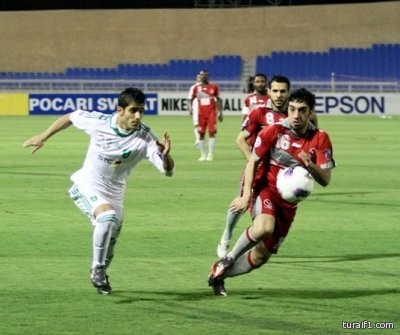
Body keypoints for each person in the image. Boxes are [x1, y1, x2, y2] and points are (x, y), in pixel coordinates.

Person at [22, 87, 175, 295]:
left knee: (110, 244)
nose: (138, 116)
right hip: (87, 184)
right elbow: (71, 117)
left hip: (115, 194)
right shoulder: (99, 121)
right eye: (133, 110)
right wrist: (43, 136)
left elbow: (167, 172)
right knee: (107, 218)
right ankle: (97, 268)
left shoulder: (145, 137)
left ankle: (101, 274)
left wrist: (166, 155)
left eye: (141, 111)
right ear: (120, 110)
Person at [208, 88, 334, 296]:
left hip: (289, 204)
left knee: (260, 257)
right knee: (264, 228)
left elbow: (326, 180)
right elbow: (252, 162)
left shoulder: (320, 138)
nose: (296, 115)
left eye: (302, 110)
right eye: (292, 109)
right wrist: (246, 195)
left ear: (311, 112)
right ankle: (228, 259)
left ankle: (219, 274)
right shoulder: (274, 130)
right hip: (266, 189)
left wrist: (310, 164)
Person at [217, 75, 291, 258]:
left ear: (289, 92)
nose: (279, 95)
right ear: (269, 92)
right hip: (257, 169)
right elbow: (240, 140)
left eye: (283, 91)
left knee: (276, 210)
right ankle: (227, 234)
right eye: (275, 91)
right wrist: (253, 161)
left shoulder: (295, 115)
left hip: (282, 174)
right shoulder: (259, 113)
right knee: (242, 200)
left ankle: (265, 245)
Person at [188, 69, 223, 161]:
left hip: (211, 113)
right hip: (201, 114)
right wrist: (190, 108)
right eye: (202, 75)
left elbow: (218, 99)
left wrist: (220, 113)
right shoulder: (196, 88)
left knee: (212, 132)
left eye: (205, 75)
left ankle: (210, 154)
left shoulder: (214, 87)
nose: (203, 76)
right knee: (201, 134)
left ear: (208, 76)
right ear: (200, 76)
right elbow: (190, 99)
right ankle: (203, 155)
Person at [187, 74, 202, 146]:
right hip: (196, 109)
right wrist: (189, 109)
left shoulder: (206, 87)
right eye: (198, 77)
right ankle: (198, 139)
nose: (199, 78)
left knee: (203, 126)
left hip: (204, 109)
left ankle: (201, 139)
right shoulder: (193, 87)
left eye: (200, 77)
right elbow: (189, 99)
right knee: (196, 125)